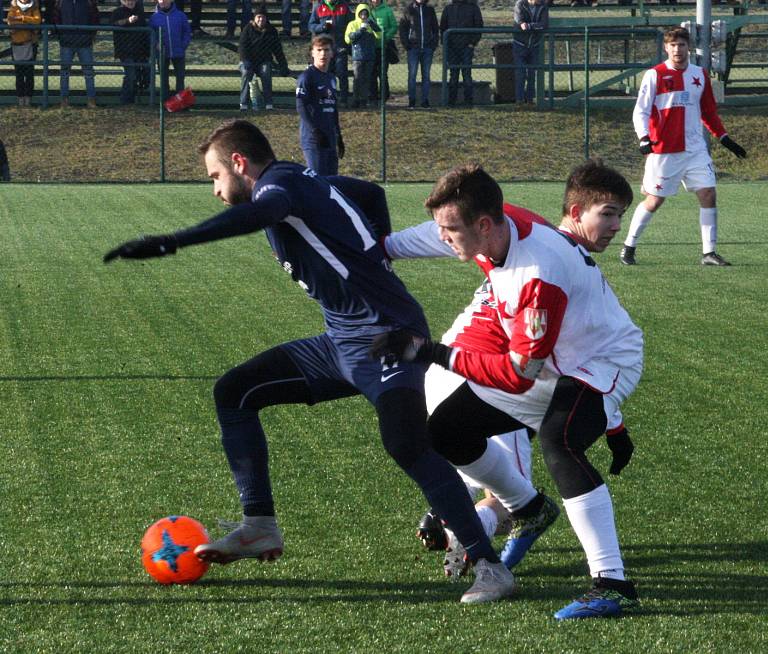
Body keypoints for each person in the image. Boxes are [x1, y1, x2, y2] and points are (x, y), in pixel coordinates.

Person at [103, 118, 516, 605]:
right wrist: (375, 250)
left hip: (386, 334)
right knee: (235, 392)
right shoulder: (301, 179)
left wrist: (175, 240)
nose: (215, 189)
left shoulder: (277, 187)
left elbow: (262, 213)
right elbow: (368, 191)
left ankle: (490, 565)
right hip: (342, 340)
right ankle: (259, 525)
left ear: (240, 163)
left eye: (215, 176)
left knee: (407, 444)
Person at [374, 159, 644, 620]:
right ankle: (528, 507)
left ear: (482, 225)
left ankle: (613, 584)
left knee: (561, 442)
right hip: (556, 363)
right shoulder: (499, 224)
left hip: (601, 363)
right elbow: (427, 234)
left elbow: (520, 373)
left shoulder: (536, 277)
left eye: (451, 229)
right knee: (445, 431)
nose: (443, 238)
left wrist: (432, 353)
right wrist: (377, 250)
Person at [621, 26, 748, 267]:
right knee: (654, 201)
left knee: (709, 194)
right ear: (666, 48)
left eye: (681, 44)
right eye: (673, 45)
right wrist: (643, 138)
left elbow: (709, 113)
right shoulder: (655, 74)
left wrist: (724, 138)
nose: (677, 49)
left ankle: (709, 253)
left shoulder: (699, 74)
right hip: (665, 150)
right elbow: (641, 111)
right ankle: (629, 245)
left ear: (688, 47)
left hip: (694, 149)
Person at [296, 35, 345, 174]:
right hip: (314, 139)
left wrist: (338, 135)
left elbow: (333, 108)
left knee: (332, 184)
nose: (322, 54)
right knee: (318, 182)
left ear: (332, 53)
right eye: (319, 50)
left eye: (326, 50)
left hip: (329, 137)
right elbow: (301, 106)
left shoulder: (331, 78)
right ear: (312, 52)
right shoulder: (307, 77)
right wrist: (315, 131)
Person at [239, 4, 289, 111]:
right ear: (254, 18)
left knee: (266, 71)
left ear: (266, 18)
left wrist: (283, 65)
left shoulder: (272, 31)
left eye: (263, 17)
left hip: (264, 61)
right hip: (248, 61)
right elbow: (242, 47)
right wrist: (245, 60)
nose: (261, 19)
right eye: (258, 17)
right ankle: (243, 103)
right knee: (246, 73)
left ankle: (268, 103)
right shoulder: (247, 29)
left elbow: (278, 50)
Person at [53, 0, 99, 109]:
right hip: (67, 42)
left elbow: (95, 18)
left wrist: (90, 35)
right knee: (65, 73)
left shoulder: (89, 2)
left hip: (84, 42)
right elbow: (55, 19)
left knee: (88, 73)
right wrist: (61, 35)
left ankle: (91, 101)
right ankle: (64, 101)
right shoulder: (60, 2)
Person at [308, 0, 353, 107]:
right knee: (326, 75)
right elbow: (311, 25)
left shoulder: (344, 6)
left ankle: (343, 100)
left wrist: (346, 43)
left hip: (340, 47)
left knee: (342, 74)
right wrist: (322, 27)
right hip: (325, 49)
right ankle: (327, 99)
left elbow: (351, 24)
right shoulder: (318, 7)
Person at [439, 0, 482, 106]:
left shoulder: (473, 8)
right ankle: (452, 100)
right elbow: (443, 27)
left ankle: (467, 100)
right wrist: (446, 43)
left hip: (466, 46)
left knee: (466, 74)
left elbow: (479, 25)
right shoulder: (449, 9)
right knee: (454, 74)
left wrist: (472, 42)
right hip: (453, 47)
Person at [398, 0, 437, 109]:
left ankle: (425, 101)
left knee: (426, 76)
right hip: (413, 49)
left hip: (427, 49)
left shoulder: (430, 10)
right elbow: (402, 28)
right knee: (412, 76)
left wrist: (433, 45)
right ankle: (412, 101)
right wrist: (407, 45)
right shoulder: (408, 9)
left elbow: (435, 28)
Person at [149, 0, 192, 99]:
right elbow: (150, 34)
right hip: (162, 53)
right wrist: (156, 44)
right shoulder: (153, 18)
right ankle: (165, 103)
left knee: (180, 79)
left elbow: (187, 32)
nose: (163, 1)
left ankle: (180, 103)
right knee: (164, 80)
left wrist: (183, 46)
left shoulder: (181, 15)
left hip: (179, 52)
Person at [109, 0, 148, 105]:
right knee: (131, 75)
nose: (130, 2)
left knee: (142, 75)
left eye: (132, 0)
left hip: (140, 50)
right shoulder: (117, 12)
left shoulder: (139, 12)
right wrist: (127, 21)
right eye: (127, 0)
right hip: (125, 51)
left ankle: (134, 99)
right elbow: (114, 24)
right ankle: (126, 101)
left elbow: (145, 30)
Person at [6, 0, 42, 107]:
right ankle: (21, 99)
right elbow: (11, 22)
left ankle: (28, 99)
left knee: (29, 74)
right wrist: (27, 24)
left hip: (30, 44)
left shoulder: (34, 8)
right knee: (19, 74)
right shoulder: (13, 8)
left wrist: (21, 18)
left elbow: (37, 21)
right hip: (17, 44)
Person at [512, 0, 548, 106]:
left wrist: (530, 26)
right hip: (520, 44)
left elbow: (544, 25)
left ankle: (530, 99)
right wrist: (534, 26)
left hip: (534, 44)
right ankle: (519, 99)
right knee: (520, 72)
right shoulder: (520, 4)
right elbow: (520, 23)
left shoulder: (543, 6)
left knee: (532, 73)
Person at [344, 3, 379, 108]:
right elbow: (348, 39)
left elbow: (380, 36)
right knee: (357, 78)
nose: (363, 16)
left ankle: (364, 100)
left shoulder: (371, 25)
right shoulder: (352, 24)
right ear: (358, 14)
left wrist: (374, 27)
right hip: (358, 57)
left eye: (365, 14)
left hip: (369, 56)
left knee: (367, 79)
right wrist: (360, 31)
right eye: (361, 14)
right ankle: (356, 99)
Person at [368, 0, 397, 102]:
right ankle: (373, 97)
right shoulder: (368, 11)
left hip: (383, 48)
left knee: (383, 73)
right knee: (372, 74)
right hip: (371, 48)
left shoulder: (387, 10)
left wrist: (386, 37)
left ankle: (384, 97)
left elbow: (394, 27)